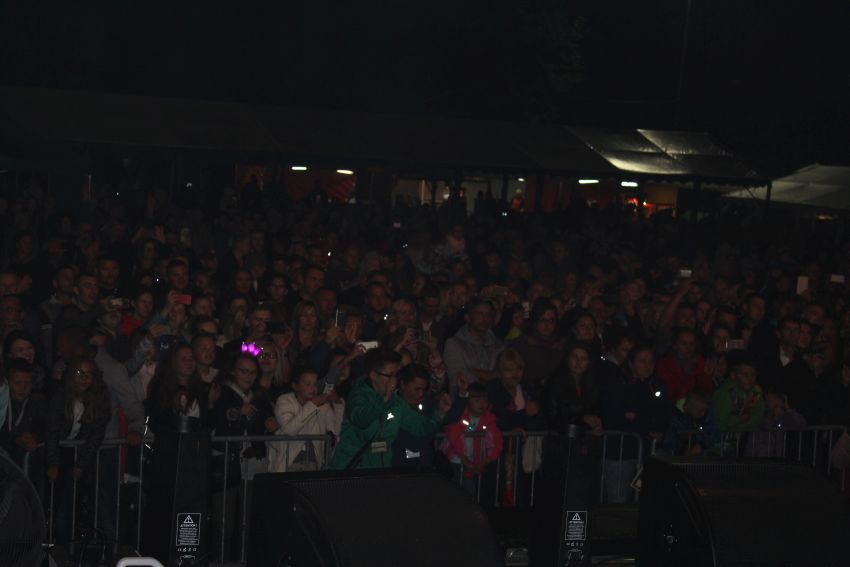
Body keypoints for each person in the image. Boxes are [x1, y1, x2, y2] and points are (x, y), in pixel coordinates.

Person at [328, 348, 451, 470]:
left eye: (395, 375)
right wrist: (383, 401)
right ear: (373, 375)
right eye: (389, 375)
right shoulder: (358, 396)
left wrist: (440, 413)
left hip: (380, 472)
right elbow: (360, 418)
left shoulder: (396, 402)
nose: (394, 380)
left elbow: (420, 427)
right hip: (351, 472)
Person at [45, 356, 111, 545]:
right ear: (71, 375)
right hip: (58, 451)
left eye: (88, 374)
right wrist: (52, 463)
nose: (84, 378)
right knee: (51, 500)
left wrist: (81, 465)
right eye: (79, 373)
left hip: (79, 453)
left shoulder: (98, 399)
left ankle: (66, 544)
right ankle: (49, 541)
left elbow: (96, 435)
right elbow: (51, 430)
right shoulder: (60, 395)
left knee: (72, 502)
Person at [601, 345, 670, 503]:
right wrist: (643, 423)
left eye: (651, 361)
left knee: (643, 498)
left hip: (646, 453)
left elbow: (663, 414)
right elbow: (619, 417)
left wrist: (642, 420)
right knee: (618, 500)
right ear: (631, 364)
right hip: (621, 453)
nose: (647, 366)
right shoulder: (618, 385)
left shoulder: (657, 385)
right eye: (642, 361)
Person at [269, 366, 343, 472]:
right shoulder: (285, 401)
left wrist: (337, 404)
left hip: (313, 464)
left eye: (315, 384)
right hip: (287, 465)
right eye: (308, 384)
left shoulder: (323, 406)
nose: (313, 388)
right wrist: (313, 404)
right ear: (295, 386)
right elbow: (289, 430)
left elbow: (336, 430)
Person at [442, 382, 503, 495]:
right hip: (455, 461)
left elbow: (497, 441)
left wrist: (484, 463)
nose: (482, 404)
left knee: (469, 494)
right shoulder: (459, 415)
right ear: (468, 400)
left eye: (485, 400)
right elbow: (455, 435)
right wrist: (465, 460)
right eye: (477, 400)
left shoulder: (488, 419)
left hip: (473, 464)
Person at [0, 358, 47, 490]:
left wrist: (34, 438)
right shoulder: (2, 403)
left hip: (28, 471)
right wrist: (16, 440)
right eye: (17, 383)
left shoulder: (37, 405)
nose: (23, 388)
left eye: (27, 383)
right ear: (7, 382)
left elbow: (45, 430)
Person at [443, 297, 503, 397]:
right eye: (479, 313)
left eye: (488, 314)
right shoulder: (453, 344)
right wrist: (490, 375)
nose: (484, 318)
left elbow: (504, 376)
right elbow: (459, 379)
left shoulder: (498, 346)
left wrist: (474, 372)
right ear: (468, 317)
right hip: (464, 402)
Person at [711, 352, 765, 433]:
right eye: (745, 375)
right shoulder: (726, 393)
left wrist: (741, 426)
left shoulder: (756, 393)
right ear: (733, 375)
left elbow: (757, 417)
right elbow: (719, 421)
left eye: (753, 375)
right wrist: (738, 420)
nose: (750, 379)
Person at [659, 388, 718, 456]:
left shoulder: (705, 420)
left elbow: (714, 433)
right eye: (700, 411)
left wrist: (702, 444)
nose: (703, 414)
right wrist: (683, 450)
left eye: (705, 410)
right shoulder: (677, 421)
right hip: (677, 458)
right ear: (690, 407)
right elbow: (669, 441)